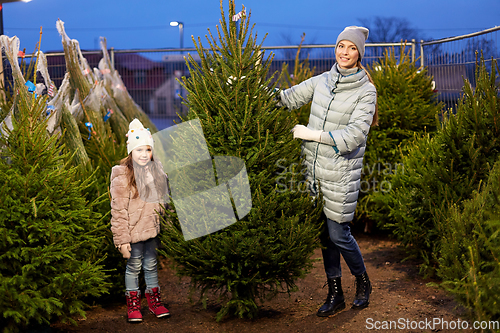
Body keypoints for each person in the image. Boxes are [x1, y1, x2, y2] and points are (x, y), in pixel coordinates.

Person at [278, 26, 378, 317]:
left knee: (339, 234)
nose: (344, 52)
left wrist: (313, 135)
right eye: (341, 46)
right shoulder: (322, 80)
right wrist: (248, 86)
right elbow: (287, 98)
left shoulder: (366, 90)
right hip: (313, 173)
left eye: (351, 48)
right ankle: (335, 292)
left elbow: (355, 136)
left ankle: (363, 282)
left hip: (341, 173)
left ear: (359, 53)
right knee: (325, 235)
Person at [110, 118, 171, 323]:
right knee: (134, 266)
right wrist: (121, 240)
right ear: (130, 152)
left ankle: (154, 301)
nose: (144, 155)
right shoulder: (122, 177)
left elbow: (164, 200)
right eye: (139, 150)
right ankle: (133, 303)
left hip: (152, 230)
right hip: (132, 234)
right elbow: (118, 211)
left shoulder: (156, 171)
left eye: (147, 150)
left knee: (151, 265)